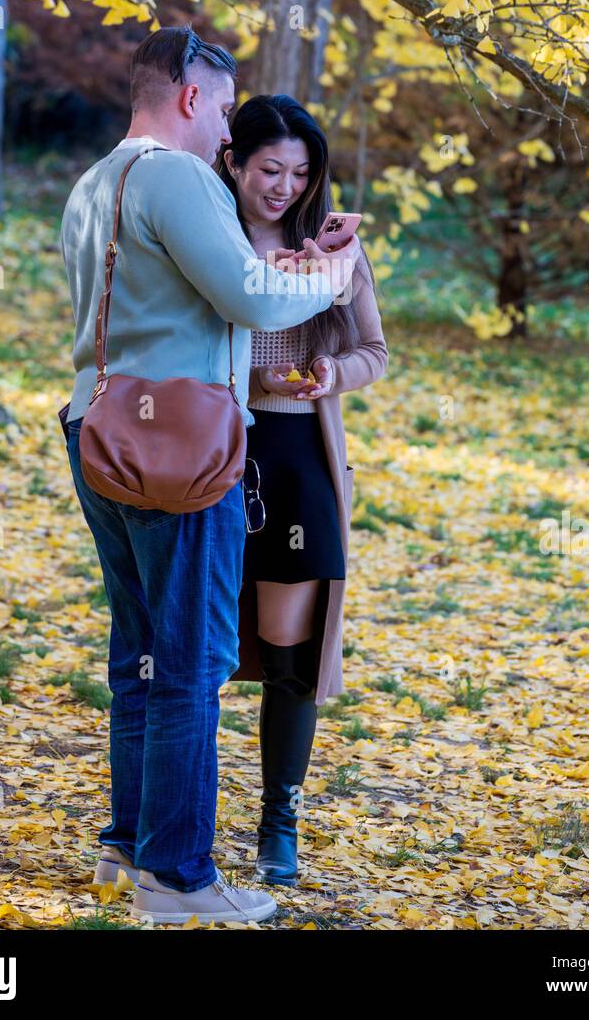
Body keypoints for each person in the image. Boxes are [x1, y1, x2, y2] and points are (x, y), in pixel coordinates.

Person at [58, 27, 359, 925]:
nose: (231, 131)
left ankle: (127, 845)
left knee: (141, 650)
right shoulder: (178, 173)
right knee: (193, 661)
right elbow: (253, 299)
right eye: (226, 109)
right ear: (191, 97)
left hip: (96, 427)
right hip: (178, 446)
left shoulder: (94, 180)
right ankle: (180, 879)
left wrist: (294, 261)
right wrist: (334, 273)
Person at [217, 94, 388, 884]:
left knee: (289, 647)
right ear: (234, 163)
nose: (284, 186)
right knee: (197, 643)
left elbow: (376, 352)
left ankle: (277, 824)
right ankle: (165, 820)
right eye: (269, 170)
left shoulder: (336, 250)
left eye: (299, 172)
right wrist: (249, 372)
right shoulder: (210, 237)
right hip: (218, 443)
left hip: (298, 455)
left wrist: (328, 374)